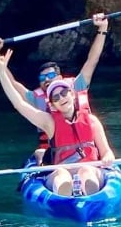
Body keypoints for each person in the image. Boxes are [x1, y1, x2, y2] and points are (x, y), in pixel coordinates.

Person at [0, 40, 117, 198]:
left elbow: (106, 152)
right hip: (61, 171)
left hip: (91, 169)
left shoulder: (92, 121)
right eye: (56, 97)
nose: (61, 98)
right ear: (52, 105)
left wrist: (107, 158)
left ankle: (90, 201)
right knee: (62, 174)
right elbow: (18, 103)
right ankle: (65, 199)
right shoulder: (49, 123)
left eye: (64, 93)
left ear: (72, 94)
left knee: (87, 171)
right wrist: (1, 70)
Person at [11, 13, 110, 162]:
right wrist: (0, 64)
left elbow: (92, 59)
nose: (47, 80)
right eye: (42, 78)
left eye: (51, 76)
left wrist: (102, 29)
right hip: (55, 148)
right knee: (40, 152)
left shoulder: (76, 87)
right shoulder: (35, 98)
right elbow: (13, 85)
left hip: (86, 145)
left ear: (60, 78)